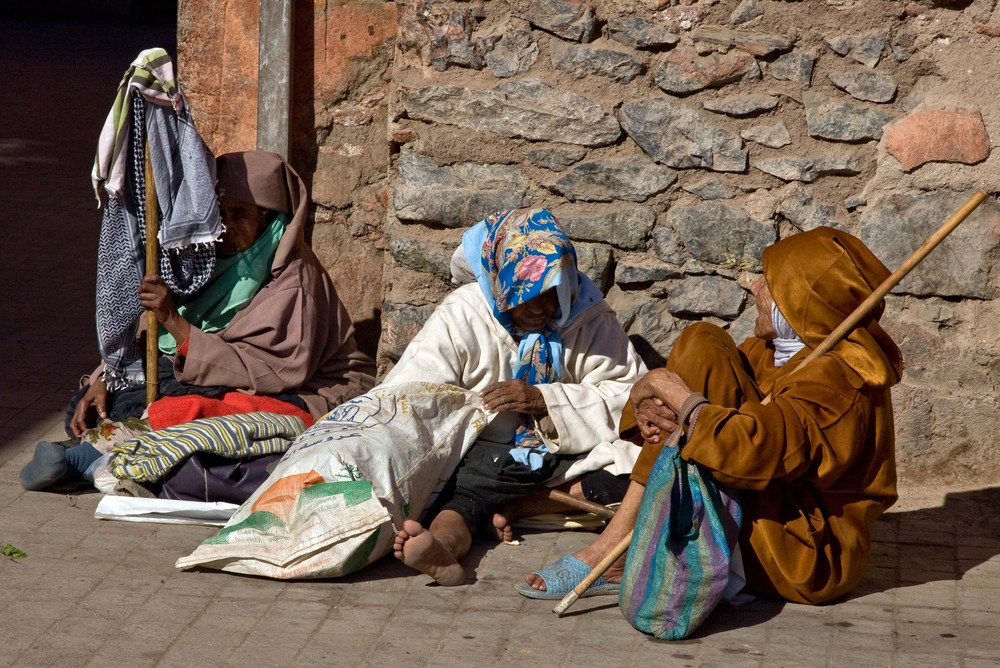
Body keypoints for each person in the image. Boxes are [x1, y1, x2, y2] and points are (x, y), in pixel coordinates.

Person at [518, 226, 903, 605]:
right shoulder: (772, 350)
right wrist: (647, 391)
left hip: (803, 549)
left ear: (800, 303)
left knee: (693, 379)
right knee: (703, 343)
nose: (754, 287)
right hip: (768, 502)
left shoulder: (836, 380)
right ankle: (621, 541)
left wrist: (671, 392)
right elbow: (702, 384)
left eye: (770, 284)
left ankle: (613, 547)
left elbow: (752, 452)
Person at [20, 151, 377, 491]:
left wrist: (173, 319)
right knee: (102, 398)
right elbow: (148, 337)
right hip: (205, 374)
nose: (224, 228)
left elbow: (271, 372)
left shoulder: (295, 283)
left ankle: (88, 460)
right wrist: (105, 376)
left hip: (301, 391)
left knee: (199, 411)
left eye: (240, 215)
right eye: (217, 214)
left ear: (271, 223)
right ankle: (101, 453)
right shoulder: (202, 263)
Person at [388, 207, 647, 586]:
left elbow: (629, 397)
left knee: (641, 469)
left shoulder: (587, 315)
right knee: (463, 496)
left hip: (564, 459)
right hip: (481, 456)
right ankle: (442, 546)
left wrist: (546, 401)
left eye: (552, 294)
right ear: (502, 282)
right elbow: (411, 394)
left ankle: (520, 506)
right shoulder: (463, 314)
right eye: (528, 295)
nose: (542, 307)